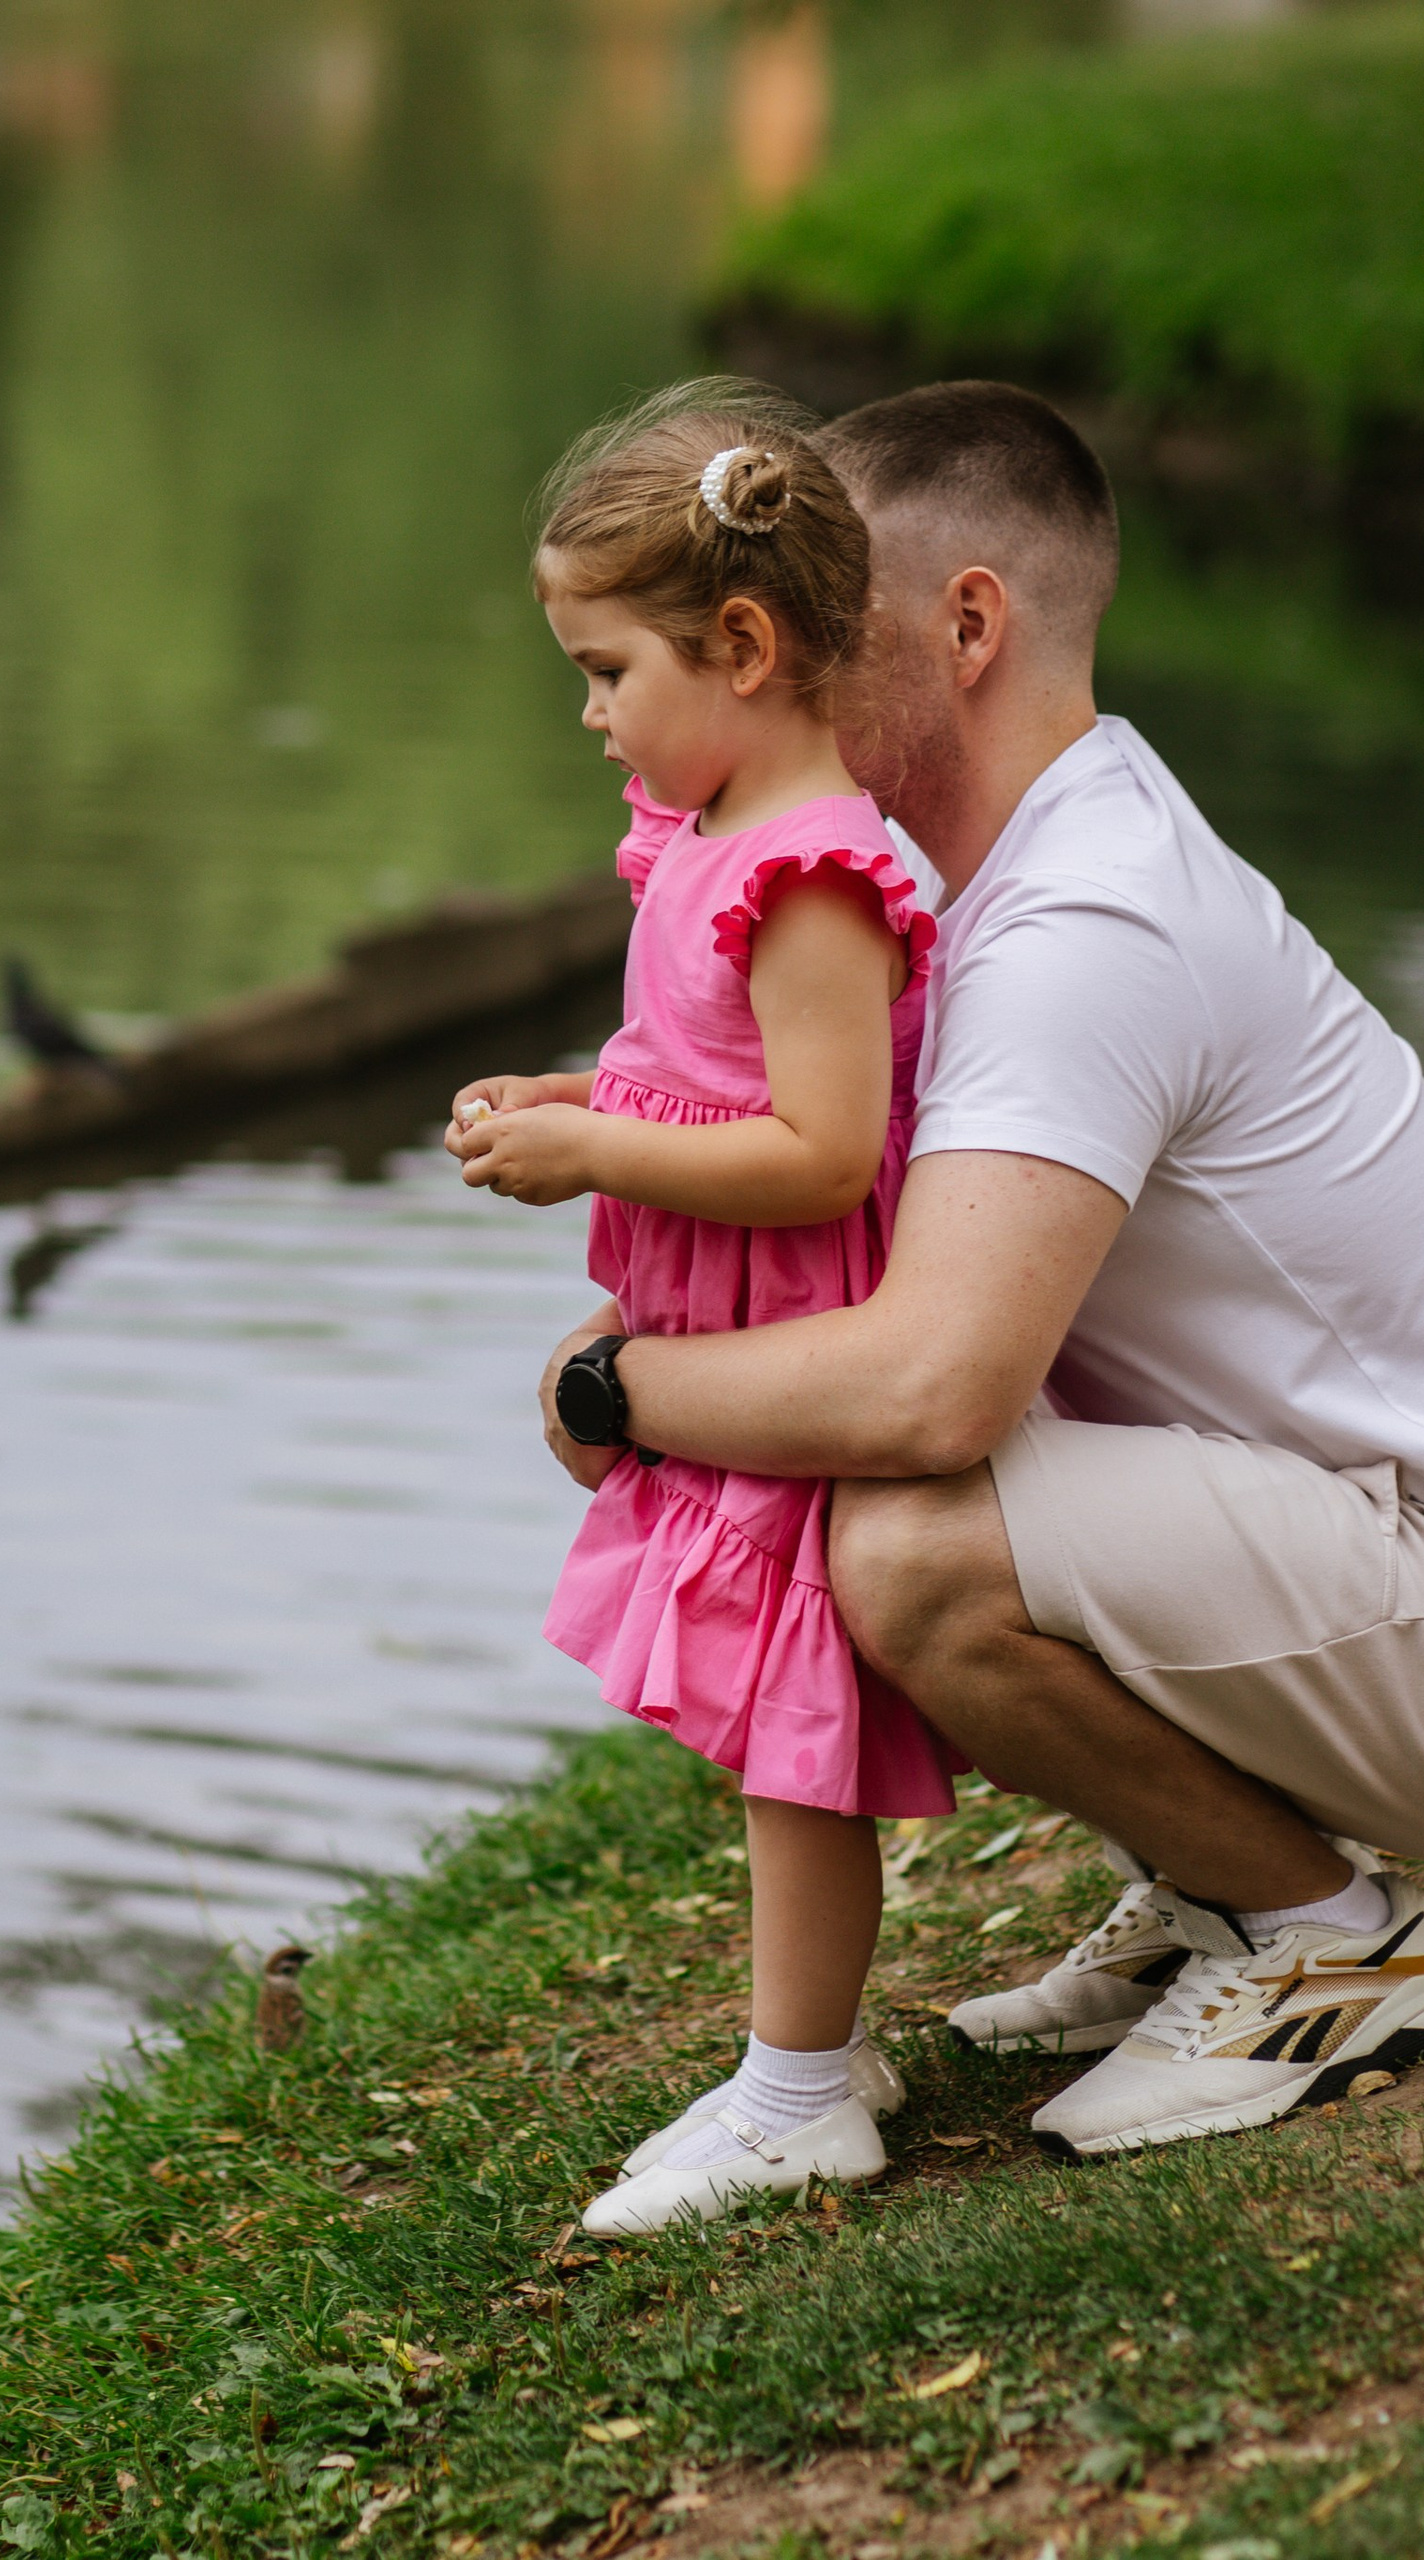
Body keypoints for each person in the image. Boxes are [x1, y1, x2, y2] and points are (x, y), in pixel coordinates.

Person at [531, 377, 1424, 2170]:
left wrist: (613, 1391)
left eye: (813, 625)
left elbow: (934, 1385)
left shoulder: (1082, 924)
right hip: (1340, 1546)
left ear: (966, 625)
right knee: (871, 1490)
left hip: (1394, 1557)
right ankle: (1219, 1878)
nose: (762, 668)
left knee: (908, 1537)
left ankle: (1325, 1931)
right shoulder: (987, 874)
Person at [446, 386, 950, 2235]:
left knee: (790, 1719)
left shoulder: (812, 872)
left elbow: (823, 1152)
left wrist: (595, 1154)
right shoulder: (710, 834)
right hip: (724, 1330)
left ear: (740, 648)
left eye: (604, 668)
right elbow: (691, 1067)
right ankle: (815, 2051)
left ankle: (803, 2088)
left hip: (790, 1342)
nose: (588, 711)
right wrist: (562, 1094)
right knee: (761, 1718)